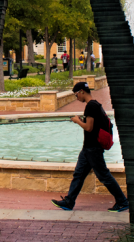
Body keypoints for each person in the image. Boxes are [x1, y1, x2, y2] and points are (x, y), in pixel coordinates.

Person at [52, 82, 128, 213]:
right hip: (88, 148)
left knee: (104, 175)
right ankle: (69, 202)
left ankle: (122, 201)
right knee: (79, 174)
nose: (77, 98)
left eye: (76, 95)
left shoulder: (91, 106)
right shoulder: (96, 105)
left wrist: (77, 121)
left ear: (81, 91)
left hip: (93, 148)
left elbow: (89, 127)